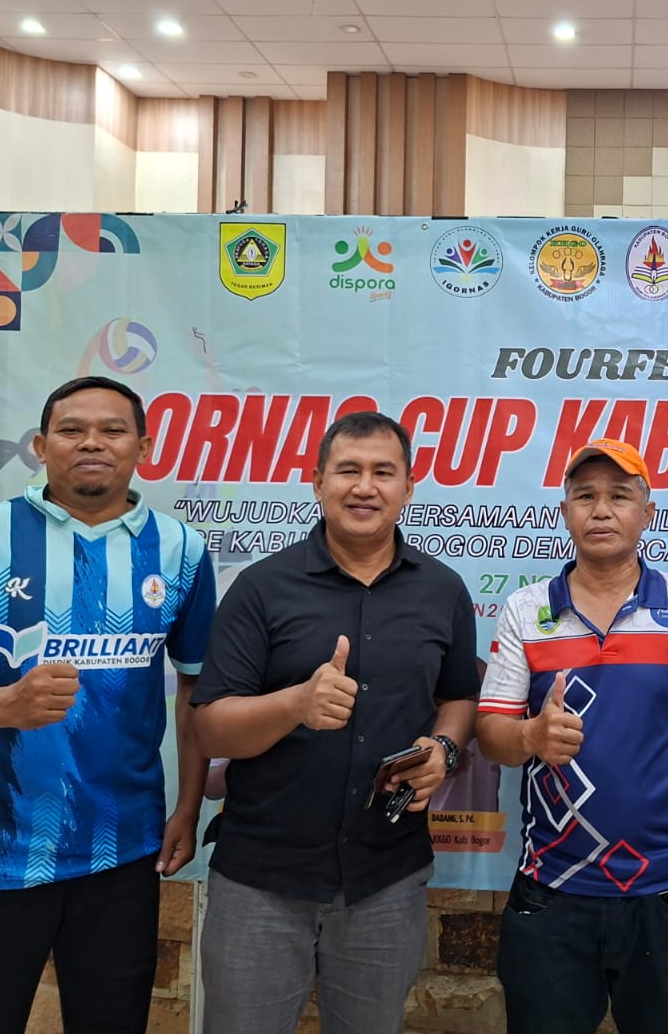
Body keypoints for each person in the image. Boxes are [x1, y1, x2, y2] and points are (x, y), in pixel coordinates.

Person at [0, 375, 215, 1034]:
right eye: (72, 430)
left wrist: (187, 806)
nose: (91, 443)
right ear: (41, 446)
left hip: (122, 853)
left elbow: (195, 690)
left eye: (112, 430)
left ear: (143, 447)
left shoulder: (181, 549)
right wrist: (6, 706)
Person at [190, 411, 478, 1034]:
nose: (364, 487)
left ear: (409, 487)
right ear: (318, 482)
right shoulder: (261, 588)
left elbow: (459, 697)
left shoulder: (443, 590)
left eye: (383, 472)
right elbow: (209, 729)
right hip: (261, 882)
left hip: (386, 879)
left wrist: (444, 747)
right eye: (348, 470)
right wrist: (295, 704)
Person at [476, 437, 668, 1034]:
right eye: (585, 496)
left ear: (647, 513)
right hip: (551, 891)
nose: (601, 511)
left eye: (620, 496)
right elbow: (491, 736)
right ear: (564, 511)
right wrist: (531, 737)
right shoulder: (525, 611)